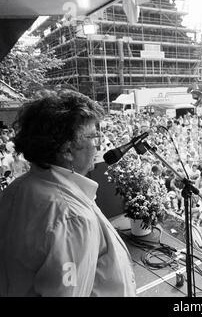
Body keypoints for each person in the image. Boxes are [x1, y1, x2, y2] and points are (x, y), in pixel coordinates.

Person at [0, 89, 136, 296]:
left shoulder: (15, 190)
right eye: (93, 137)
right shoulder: (71, 218)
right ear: (67, 150)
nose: (97, 146)